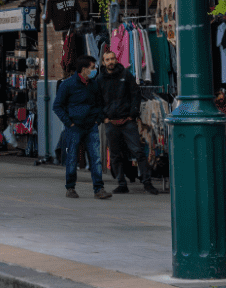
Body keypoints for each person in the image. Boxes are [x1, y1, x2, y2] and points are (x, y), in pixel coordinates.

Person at [97, 50, 158, 195]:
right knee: (115, 154)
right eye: (107, 60)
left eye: (112, 59)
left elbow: (135, 94)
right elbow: (96, 100)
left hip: (127, 121)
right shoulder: (100, 79)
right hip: (111, 122)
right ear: (104, 62)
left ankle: (147, 182)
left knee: (138, 151)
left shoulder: (126, 75)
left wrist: (133, 114)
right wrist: (103, 117)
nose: (111, 62)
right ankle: (121, 183)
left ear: (116, 59)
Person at [54, 55, 111, 199]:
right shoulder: (67, 85)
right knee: (72, 158)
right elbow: (57, 106)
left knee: (95, 158)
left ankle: (99, 189)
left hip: (91, 126)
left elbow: (100, 104)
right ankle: (70, 188)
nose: (94, 70)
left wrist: (97, 120)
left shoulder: (94, 84)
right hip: (74, 127)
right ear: (84, 69)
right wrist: (69, 123)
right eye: (92, 68)